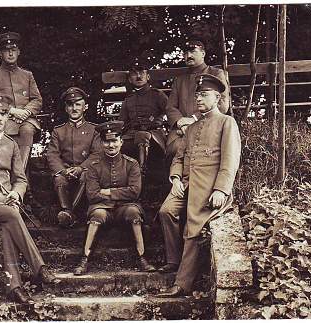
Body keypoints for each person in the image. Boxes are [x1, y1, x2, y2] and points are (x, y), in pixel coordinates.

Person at [0, 93, 59, 304]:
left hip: (6, 202)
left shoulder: (11, 144)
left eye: (4, 114)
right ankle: (39, 267)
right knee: (11, 214)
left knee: (7, 225)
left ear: (8, 116)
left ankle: (14, 286)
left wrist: (16, 193)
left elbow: (20, 179)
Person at [157, 74, 241, 296]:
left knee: (191, 229)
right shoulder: (192, 128)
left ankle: (181, 284)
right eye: (197, 95)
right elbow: (179, 157)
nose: (198, 98)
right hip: (185, 184)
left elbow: (230, 160)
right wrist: (175, 178)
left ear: (217, 97)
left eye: (204, 95)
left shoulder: (226, 122)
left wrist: (221, 189)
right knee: (166, 211)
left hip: (207, 187)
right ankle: (173, 260)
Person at [73, 121, 156, 275]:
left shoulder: (131, 164)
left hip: (125, 208)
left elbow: (135, 192)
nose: (111, 145)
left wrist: (108, 192)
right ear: (101, 143)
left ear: (121, 142)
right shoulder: (94, 165)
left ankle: (143, 257)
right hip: (102, 209)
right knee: (97, 215)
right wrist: (119, 194)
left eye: (114, 141)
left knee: (133, 212)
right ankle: (84, 259)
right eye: (106, 141)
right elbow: (92, 195)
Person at [0, 31, 43, 171]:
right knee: (2, 139)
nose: (10, 54)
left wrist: (26, 112)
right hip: (3, 119)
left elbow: (37, 99)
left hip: (26, 120)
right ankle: (15, 180)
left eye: (13, 50)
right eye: (6, 51)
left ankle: (19, 176)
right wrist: (13, 111)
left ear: (18, 52)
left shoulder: (27, 75)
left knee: (27, 130)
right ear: (0, 54)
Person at [165, 40, 230, 160]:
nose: (188, 56)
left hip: (208, 124)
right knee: (173, 150)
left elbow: (222, 104)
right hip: (181, 129)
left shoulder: (216, 74)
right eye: (185, 53)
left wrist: (193, 119)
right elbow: (170, 107)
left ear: (203, 53)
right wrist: (181, 122)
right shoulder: (180, 80)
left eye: (193, 51)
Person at [47, 87, 102, 227]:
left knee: (86, 175)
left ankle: (68, 213)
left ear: (85, 107)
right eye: (70, 105)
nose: (74, 108)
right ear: (66, 108)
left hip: (85, 171)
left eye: (78, 104)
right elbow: (52, 154)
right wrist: (63, 171)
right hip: (65, 171)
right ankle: (68, 211)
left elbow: (97, 153)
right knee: (59, 179)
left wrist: (81, 168)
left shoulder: (94, 130)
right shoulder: (58, 131)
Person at [119, 59, 168, 173]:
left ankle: (142, 171)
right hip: (132, 134)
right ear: (130, 79)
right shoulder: (128, 100)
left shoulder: (157, 95)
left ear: (148, 77)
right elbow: (121, 122)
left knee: (142, 135)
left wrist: (164, 121)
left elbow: (170, 111)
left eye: (142, 73)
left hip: (154, 134)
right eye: (134, 74)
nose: (138, 76)